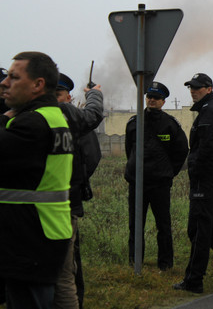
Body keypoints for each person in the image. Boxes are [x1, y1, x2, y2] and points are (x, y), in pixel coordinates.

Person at [0, 52, 73, 309]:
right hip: (43, 233)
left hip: (30, 238)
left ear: (38, 84)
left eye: (13, 77)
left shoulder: (31, 124)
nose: (4, 83)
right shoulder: (52, 117)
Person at [173, 73, 213, 293]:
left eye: (197, 88)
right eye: (191, 87)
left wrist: (195, 172)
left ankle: (194, 280)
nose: (193, 91)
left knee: (198, 230)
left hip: (206, 181)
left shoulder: (209, 112)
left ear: (209, 89)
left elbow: (205, 149)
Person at [125, 81, 188, 271]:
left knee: (163, 225)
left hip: (160, 184)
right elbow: (130, 150)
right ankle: (135, 262)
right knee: (136, 225)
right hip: (137, 183)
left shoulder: (170, 125)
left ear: (163, 101)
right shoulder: (134, 123)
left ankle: (166, 264)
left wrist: (169, 172)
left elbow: (181, 150)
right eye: (149, 97)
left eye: (156, 98)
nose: (152, 100)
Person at [55, 73, 104, 309]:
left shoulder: (75, 121)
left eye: (59, 95)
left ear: (69, 96)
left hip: (68, 203)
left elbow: (92, 157)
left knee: (70, 267)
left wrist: (77, 182)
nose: (55, 100)